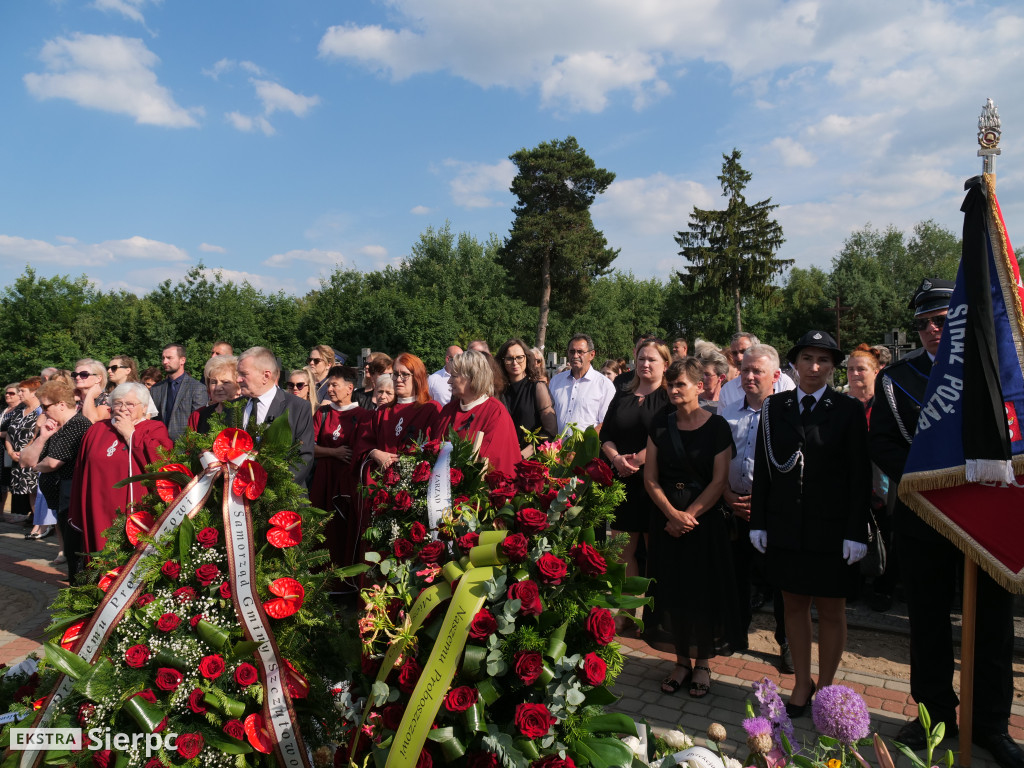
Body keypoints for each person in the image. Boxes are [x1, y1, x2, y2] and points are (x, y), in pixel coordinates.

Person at [872, 279, 1023, 768]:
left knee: (993, 626)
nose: (931, 330)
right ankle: (935, 715)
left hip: (988, 519)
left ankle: (991, 725)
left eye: (940, 320)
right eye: (922, 324)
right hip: (926, 519)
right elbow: (885, 446)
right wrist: (934, 485)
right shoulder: (898, 380)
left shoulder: (998, 371)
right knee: (929, 625)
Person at [750, 330, 870, 718]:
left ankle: (829, 686)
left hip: (832, 530)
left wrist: (856, 530)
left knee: (833, 609)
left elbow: (859, 475)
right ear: (794, 364)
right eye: (807, 359)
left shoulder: (847, 409)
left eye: (823, 360)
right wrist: (759, 521)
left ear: (833, 367)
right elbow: (765, 470)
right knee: (794, 606)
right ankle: (802, 682)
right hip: (786, 526)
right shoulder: (774, 408)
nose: (814, 367)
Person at [642, 357, 738, 698]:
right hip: (666, 519)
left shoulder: (717, 427)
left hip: (703, 523)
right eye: (670, 384)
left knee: (701, 591)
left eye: (680, 383)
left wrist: (688, 517)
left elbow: (719, 481)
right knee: (672, 590)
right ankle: (681, 661)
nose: (673, 389)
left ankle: (702, 664)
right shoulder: (659, 423)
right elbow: (650, 477)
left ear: (700, 386)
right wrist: (670, 513)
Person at [720, 344, 792, 673]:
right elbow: (717, 460)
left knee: (780, 581)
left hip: (774, 513)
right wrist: (726, 496)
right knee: (735, 577)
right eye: (745, 370)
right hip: (735, 506)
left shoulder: (787, 415)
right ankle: (734, 633)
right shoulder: (729, 411)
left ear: (775, 376)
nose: (748, 376)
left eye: (757, 371)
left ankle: (787, 640)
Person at [601, 339, 671, 629]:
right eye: (642, 358)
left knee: (657, 552)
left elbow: (669, 436)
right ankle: (627, 613)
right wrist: (617, 458)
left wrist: (640, 460)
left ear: (665, 365)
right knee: (622, 551)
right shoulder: (623, 393)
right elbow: (606, 433)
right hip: (623, 482)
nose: (645, 364)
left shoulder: (669, 397)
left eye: (652, 360)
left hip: (655, 483)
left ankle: (657, 616)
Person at [70, 382, 173, 557]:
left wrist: (131, 434)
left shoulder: (153, 429)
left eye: (130, 404)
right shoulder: (97, 429)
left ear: (144, 407)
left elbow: (161, 461)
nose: (123, 408)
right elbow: (81, 470)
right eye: (118, 403)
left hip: (134, 509)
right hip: (98, 507)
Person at [20, 379, 92, 576]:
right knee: (70, 551)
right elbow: (24, 460)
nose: (43, 411)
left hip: (70, 499)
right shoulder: (55, 426)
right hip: (59, 499)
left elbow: (52, 463)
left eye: (45, 406)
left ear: (61, 404)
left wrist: (36, 466)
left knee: (75, 551)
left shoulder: (77, 424)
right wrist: (42, 437)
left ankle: (78, 595)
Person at [310, 366, 368, 573]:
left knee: (344, 529)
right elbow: (307, 446)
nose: (330, 389)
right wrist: (333, 452)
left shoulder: (363, 415)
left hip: (347, 482)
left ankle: (345, 582)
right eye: (329, 385)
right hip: (323, 481)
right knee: (322, 528)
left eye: (335, 385)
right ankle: (321, 580)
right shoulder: (323, 413)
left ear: (350, 388)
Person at [231, 347, 316, 486]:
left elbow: (304, 457)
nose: (238, 379)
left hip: (281, 496)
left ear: (266, 376)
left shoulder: (297, 407)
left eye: (243, 374)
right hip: (238, 496)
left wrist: (271, 487)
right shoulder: (233, 407)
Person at [436, 350, 521, 476]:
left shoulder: (495, 413)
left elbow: (490, 464)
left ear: (472, 377)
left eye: (454, 376)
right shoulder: (448, 410)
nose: (449, 382)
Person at [355, 353, 440, 470]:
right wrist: (375, 453)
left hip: (415, 478)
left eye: (405, 374)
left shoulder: (430, 409)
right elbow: (363, 443)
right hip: (381, 478)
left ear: (417, 377)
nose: (398, 379)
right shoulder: (383, 411)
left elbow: (436, 447)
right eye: (395, 374)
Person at [496, 338, 557, 457]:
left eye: (519, 357)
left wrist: (523, 454)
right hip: (502, 456)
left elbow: (550, 430)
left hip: (530, 458)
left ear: (526, 358)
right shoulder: (498, 390)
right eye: (509, 358)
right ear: (502, 361)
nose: (515, 362)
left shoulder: (537, 388)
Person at [549, 334, 616, 435]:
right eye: (572, 352)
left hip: (586, 449)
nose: (575, 356)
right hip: (557, 448)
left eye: (580, 352)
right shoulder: (556, 381)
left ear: (592, 355)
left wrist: (585, 444)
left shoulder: (604, 385)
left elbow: (606, 422)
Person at [149, 344, 209, 441]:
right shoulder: (156, 388)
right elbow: (152, 419)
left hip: (185, 448)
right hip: (159, 447)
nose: (165, 361)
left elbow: (198, 422)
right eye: (163, 358)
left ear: (182, 360)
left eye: (169, 358)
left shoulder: (197, 388)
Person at [6, 378, 43, 525]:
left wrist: (26, 452)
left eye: (22, 391)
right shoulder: (19, 410)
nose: (19, 393)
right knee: (28, 491)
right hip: (17, 457)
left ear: (34, 393)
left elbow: (38, 435)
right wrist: (10, 451)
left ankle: (41, 524)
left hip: (33, 457)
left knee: (35, 490)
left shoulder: (40, 410)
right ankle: (35, 521)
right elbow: (9, 433)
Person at [187, 355, 239, 434]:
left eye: (225, 382)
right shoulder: (198, 416)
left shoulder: (247, 414)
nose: (218, 388)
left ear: (238, 385)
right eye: (214, 382)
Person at [846, 343, 882, 421]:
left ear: (876, 372)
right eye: (851, 369)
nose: (855, 373)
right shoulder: (837, 403)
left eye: (861, 369)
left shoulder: (884, 403)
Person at [0, 384, 21, 515]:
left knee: (6, 482)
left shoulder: (19, 411)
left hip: (9, 451)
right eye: (6, 393)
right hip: (2, 450)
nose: (8, 395)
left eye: (12, 393)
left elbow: (13, 431)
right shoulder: (4, 410)